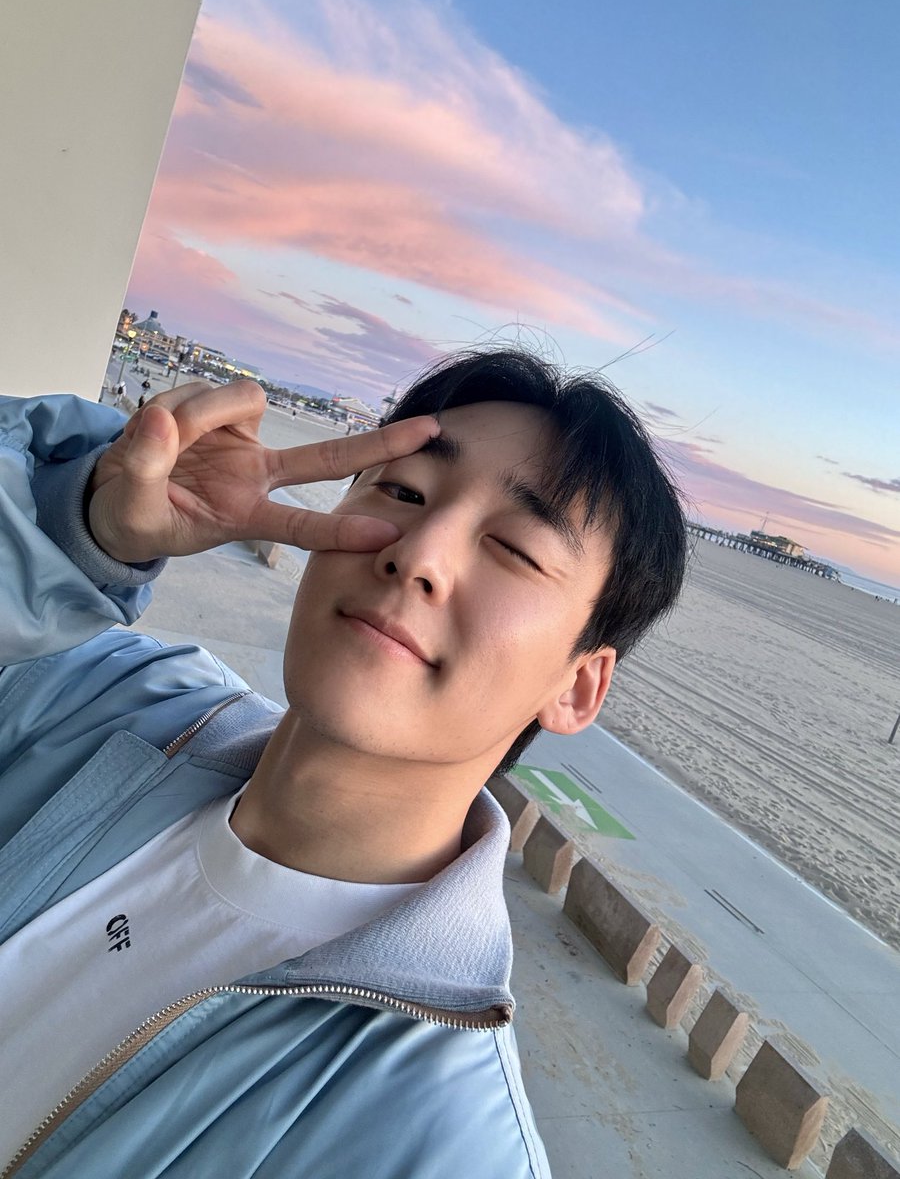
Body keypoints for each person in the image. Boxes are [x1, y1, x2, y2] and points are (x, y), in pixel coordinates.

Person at [0, 348, 686, 1177]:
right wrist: (74, 527)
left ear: (577, 687)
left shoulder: (441, 1145)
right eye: (404, 493)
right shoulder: (110, 699)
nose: (418, 554)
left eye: (513, 548)